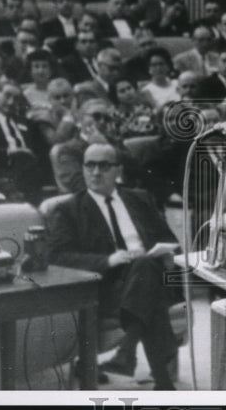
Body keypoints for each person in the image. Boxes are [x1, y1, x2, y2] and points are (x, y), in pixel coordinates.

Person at [46, 143, 180, 388]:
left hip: (148, 276)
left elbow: (169, 238)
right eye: (90, 165)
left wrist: (166, 253)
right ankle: (162, 382)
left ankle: (126, 351)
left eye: (104, 166)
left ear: (118, 169)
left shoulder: (139, 198)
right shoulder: (68, 209)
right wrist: (108, 260)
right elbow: (56, 256)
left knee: (144, 266)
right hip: (108, 285)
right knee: (149, 282)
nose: (96, 172)